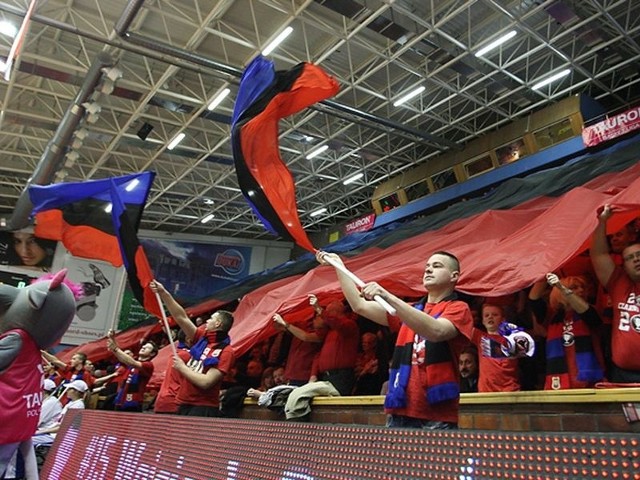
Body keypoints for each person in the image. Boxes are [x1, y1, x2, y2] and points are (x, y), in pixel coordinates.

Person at [317, 250, 474, 429]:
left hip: (436, 414)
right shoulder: (409, 310)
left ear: (454, 276)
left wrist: (388, 297)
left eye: (437, 266)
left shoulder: (459, 309)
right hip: (400, 410)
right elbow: (359, 305)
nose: (428, 270)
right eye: (427, 266)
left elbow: (436, 330)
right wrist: (339, 266)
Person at [150, 280, 236, 417]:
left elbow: (206, 382)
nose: (207, 320)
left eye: (211, 319)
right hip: (183, 403)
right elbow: (181, 317)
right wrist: (163, 293)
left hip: (203, 407)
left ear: (218, 323)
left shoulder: (226, 351)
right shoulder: (202, 338)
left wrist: (182, 367)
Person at [274, 295, 359, 421]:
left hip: (341, 377)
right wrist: (313, 375)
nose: (324, 316)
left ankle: (296, 427)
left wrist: (319, 309)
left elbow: (337, 324)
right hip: (327, 377)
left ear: (336, 313)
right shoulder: (329, 333)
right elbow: (318, 355)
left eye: (328, 312)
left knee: (300, 395)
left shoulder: (349, 326)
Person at [590, 205, 640, 383]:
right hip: (623, 374)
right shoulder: (619, 283)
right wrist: (602, 222)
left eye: (639, 255)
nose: (636, 259)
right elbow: (599, 255)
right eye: (629, 258)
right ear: (623, 265)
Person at [529, 273, 605, 389]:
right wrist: (546, 271)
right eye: (574, 287)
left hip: (590, 381)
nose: (581, 290)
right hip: (558, 381)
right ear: (558, 293)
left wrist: (561, 287)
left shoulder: (591, 311)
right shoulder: (551, 316)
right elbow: (534, 298)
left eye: (583, 287)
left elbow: (589, 315)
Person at [471, 304, 521, 392]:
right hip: (486, 392)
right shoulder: (480, 337)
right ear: (483, 321)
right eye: (486, 315)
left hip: (509, 391)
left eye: (495, 315)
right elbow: (462, 325)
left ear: (503, 319)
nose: (490, 317)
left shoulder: (512, 339)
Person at [106, 332, 158, 412]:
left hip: (133, 402)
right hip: (121, 399)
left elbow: (132, 362)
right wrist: (112, 339)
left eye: (147, 348)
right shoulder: (133, 360)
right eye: (143, 346)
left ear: (152, 353)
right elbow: (122, 357)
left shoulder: (148, 365)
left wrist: (115, 348)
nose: (143, 347)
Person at [32, 380, 87, 447]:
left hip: (59, 437)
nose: (67, 391)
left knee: (28, 441)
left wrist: (43, 431)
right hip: (52, 433)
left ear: (76, 391)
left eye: (69, 389)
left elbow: (65, 427)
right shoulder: (71, 403)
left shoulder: (78, 406)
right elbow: (59, 423)